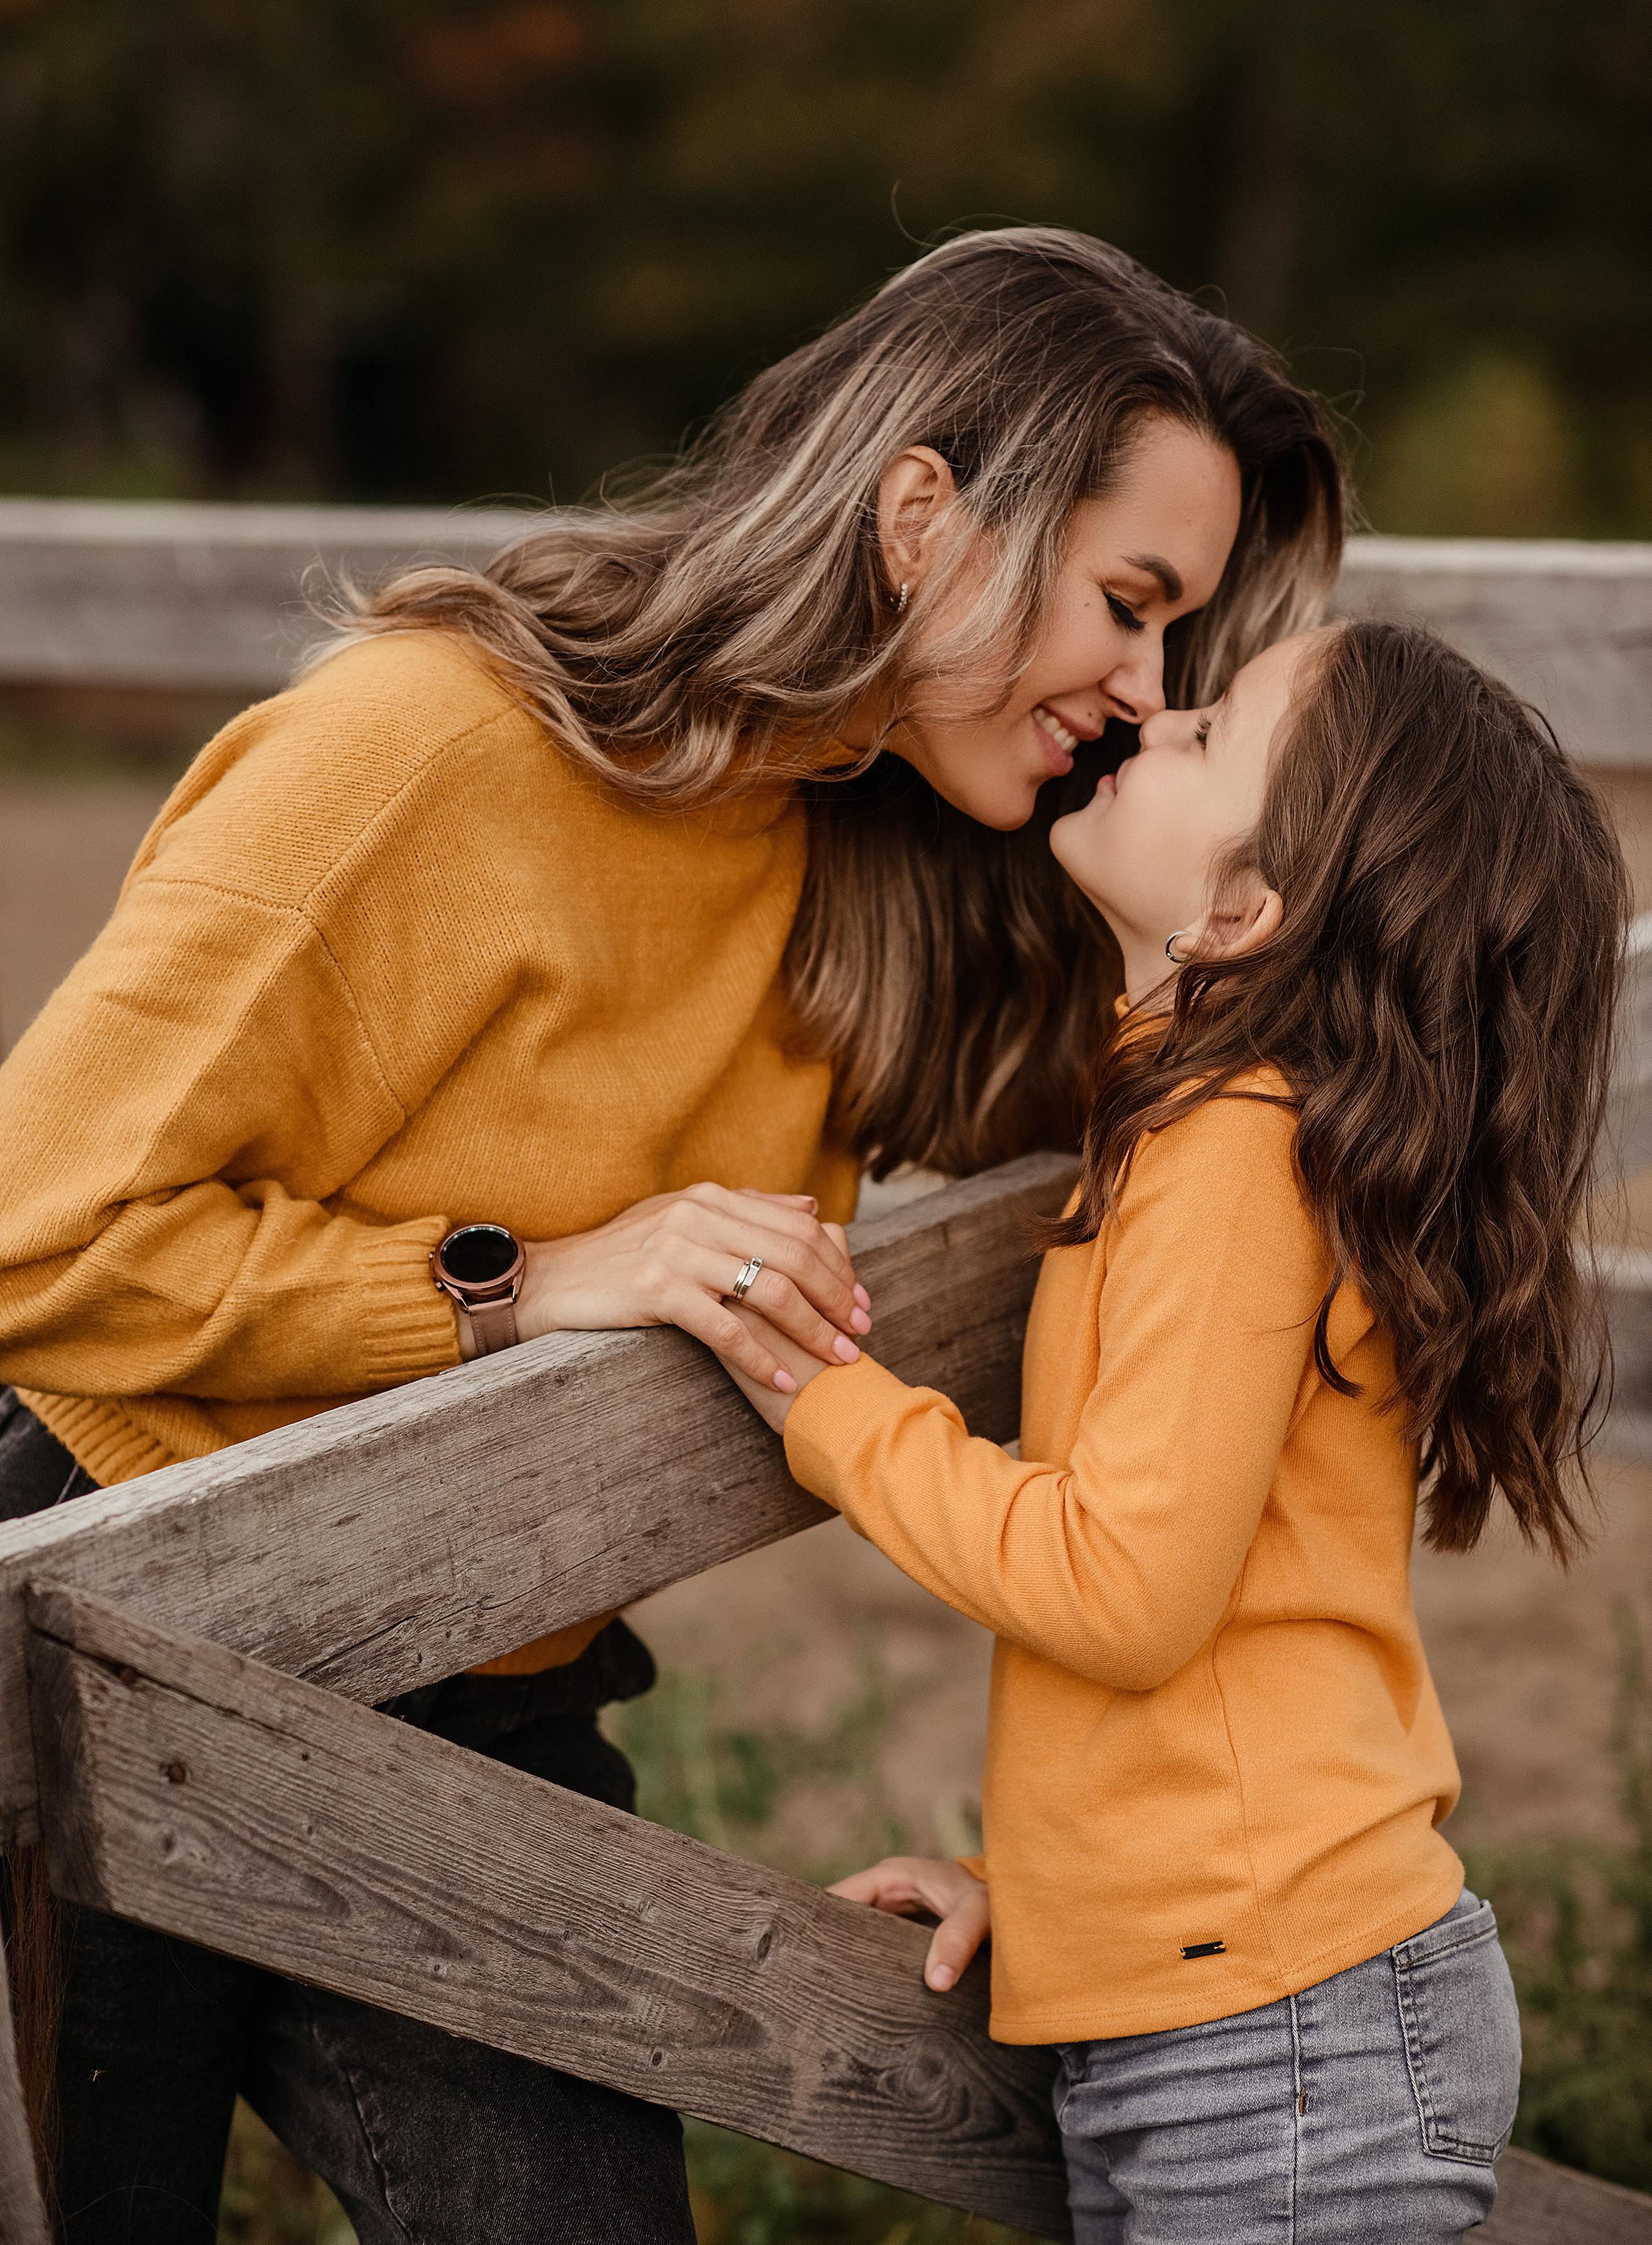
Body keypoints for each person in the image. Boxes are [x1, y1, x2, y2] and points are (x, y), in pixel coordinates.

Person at [0, 226, 1341, 2242]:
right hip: (108, 1620)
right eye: (1129, 605)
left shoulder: (875, 843)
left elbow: (1180, 1127)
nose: (1144, 691)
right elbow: (34, 1234)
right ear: (920, 517)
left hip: (490, 1681)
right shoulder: (421, 749)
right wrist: (525, 1281)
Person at [721, 615, 1628, 2242]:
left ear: (1248, 907)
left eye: (1204, 730)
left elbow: (1123, 1581)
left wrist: (822, 1397)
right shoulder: (1195, 1119)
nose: (1147, 713)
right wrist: (1072, 1907)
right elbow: (1219, 1612)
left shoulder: (1231, 1149)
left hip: (1279, 2039)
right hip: (1249, 2003)